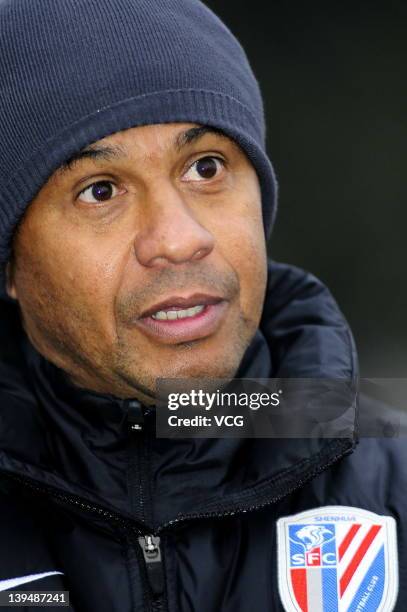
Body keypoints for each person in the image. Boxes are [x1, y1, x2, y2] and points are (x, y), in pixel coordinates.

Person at [0, 0, 404, 610]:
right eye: (99, 190)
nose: (180, 238)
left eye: (205, 167)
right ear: (10, 265)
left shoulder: (394, 480)